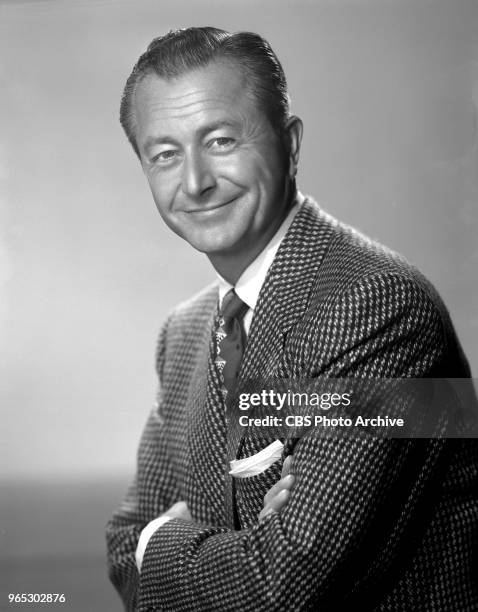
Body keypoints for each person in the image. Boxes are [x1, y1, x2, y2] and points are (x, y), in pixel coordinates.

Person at [106, 27, 478, 611]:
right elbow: (122, 546)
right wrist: (229, 545)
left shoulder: (383, 307)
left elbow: (279, 587)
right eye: (166, 155)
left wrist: (162, 543)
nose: (196, 182)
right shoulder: (182, 333)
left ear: (292, 145)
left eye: (222, 140)